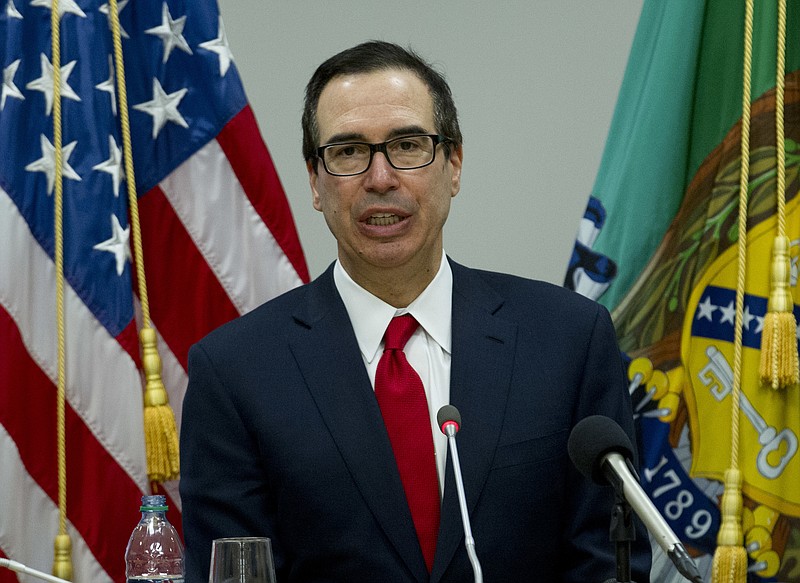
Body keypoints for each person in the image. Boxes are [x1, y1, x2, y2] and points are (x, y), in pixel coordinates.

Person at [180, 40, 652, 582]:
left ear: (454, 165)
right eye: (349, 152)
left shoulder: (567, 340)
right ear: (314, 180)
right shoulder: (236, 373)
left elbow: (608, 564)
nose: (380, 178)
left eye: (407, 145)